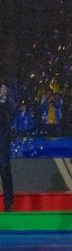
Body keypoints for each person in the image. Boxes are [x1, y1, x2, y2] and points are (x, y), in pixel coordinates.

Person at [0, 83, 15, 212]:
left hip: (2, 136)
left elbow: (12, 109)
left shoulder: (6, 91)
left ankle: (9, 203)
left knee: (4, 167)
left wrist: (3, 97)